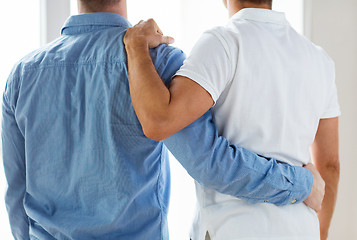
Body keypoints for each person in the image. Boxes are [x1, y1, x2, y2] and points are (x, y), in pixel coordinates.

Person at [2, 0, 324, 239]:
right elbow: (210, 162)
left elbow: (16, 197)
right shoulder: (157, 62)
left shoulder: (20, 77)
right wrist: (301, 183)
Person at [124, 0, 340, 240]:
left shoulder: (223, 42)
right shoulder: (320, 60)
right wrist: (320, 231)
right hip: (301, 230)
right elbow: (330, 165)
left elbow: (159, 121)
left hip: (232, 229)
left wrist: (136, 47)